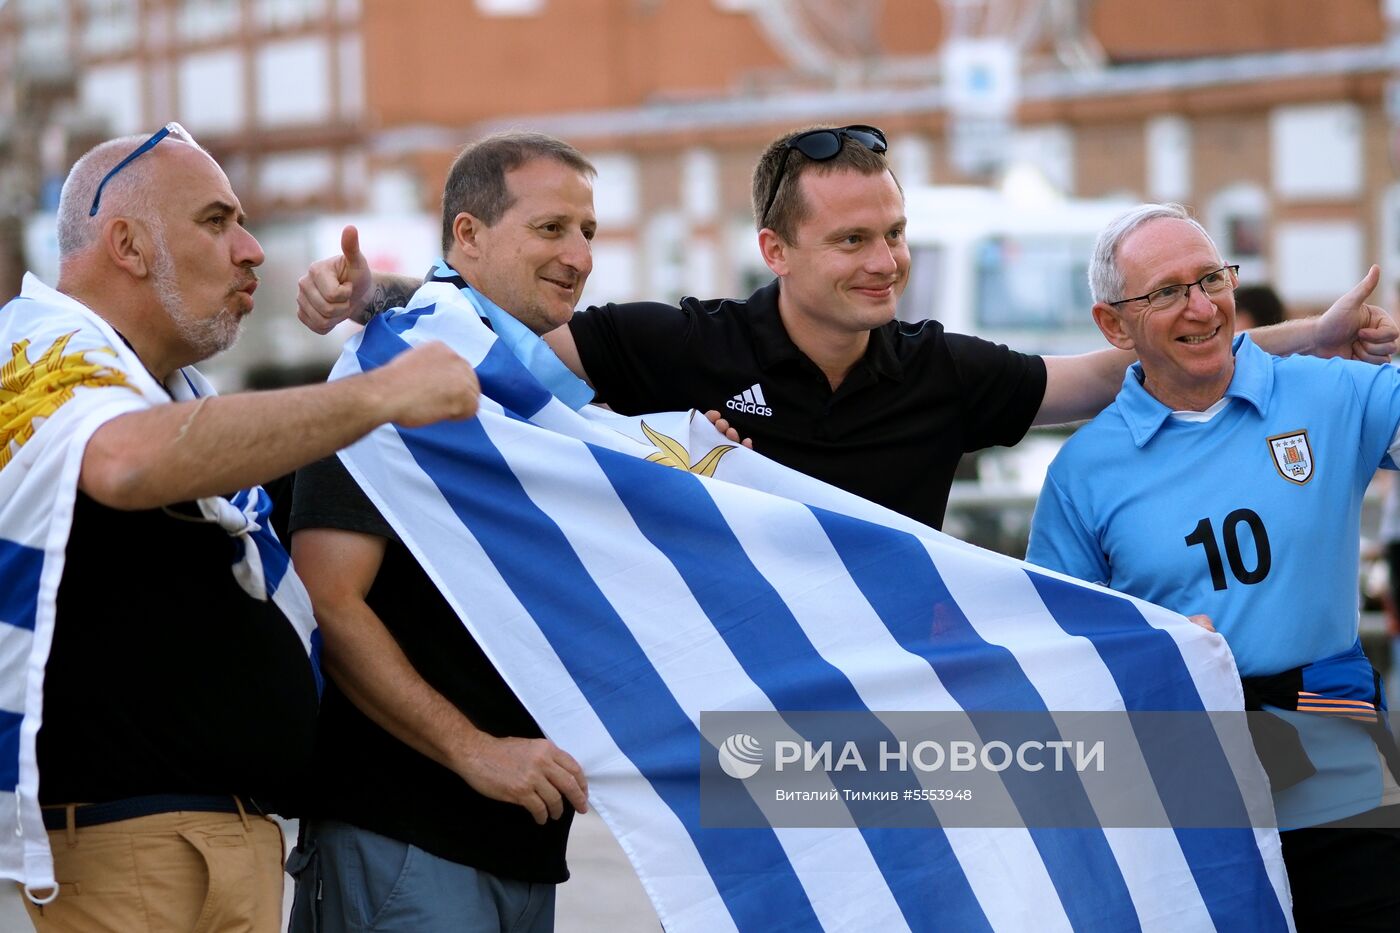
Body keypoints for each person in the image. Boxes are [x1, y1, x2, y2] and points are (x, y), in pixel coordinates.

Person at [297, 124, 1397, 530]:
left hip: (896, 728)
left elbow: (1110, 370)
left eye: (893, 235)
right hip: (734, 734)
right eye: (851, 242)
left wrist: (1316, 336)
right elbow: (499, 362)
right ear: (775, 253)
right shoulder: (678, 346)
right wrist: (377, 304)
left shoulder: (938, 371)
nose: (885, 263)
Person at [0, 125, 478, 931]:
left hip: (226, 848)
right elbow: (123, 462)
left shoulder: (166, 392)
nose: (252, 250)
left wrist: (380, 306)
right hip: (129, 854)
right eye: (218, 222)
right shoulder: (33, 349)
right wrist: (378, 395)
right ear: (127, 244)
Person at [1026, 202, 1400, 931]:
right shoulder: (1083, 472)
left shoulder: (1329, 391)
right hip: (1185, 807)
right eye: (1166, 291)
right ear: (1113, 324)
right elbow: (1055, 655)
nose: (1201, 306)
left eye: (1211, 279)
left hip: (1344, 787)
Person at [285, 133, 595, 933]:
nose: (579, 254)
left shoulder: (542, 395)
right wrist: (473, 750)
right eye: (552, 228)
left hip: (525, 843)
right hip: (407, 836)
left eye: (588, 231)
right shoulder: (388, 367)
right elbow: (331, 597)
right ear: (468, 235)